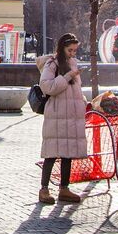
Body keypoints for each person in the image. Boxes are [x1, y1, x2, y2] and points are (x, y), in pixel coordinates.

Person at [35, 33, 86, 205]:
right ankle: (44, 189)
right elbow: (47, 87)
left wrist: (85, 103)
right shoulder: (52, 64)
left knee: (67, 153)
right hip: (56, 115)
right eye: (70, 50)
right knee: (52, 152)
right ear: (62, 48)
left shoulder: (73, 63)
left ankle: (64, 188)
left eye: (75, 50)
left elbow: (76, 90)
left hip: (71, 115)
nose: (72, 53)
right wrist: (67, 76)